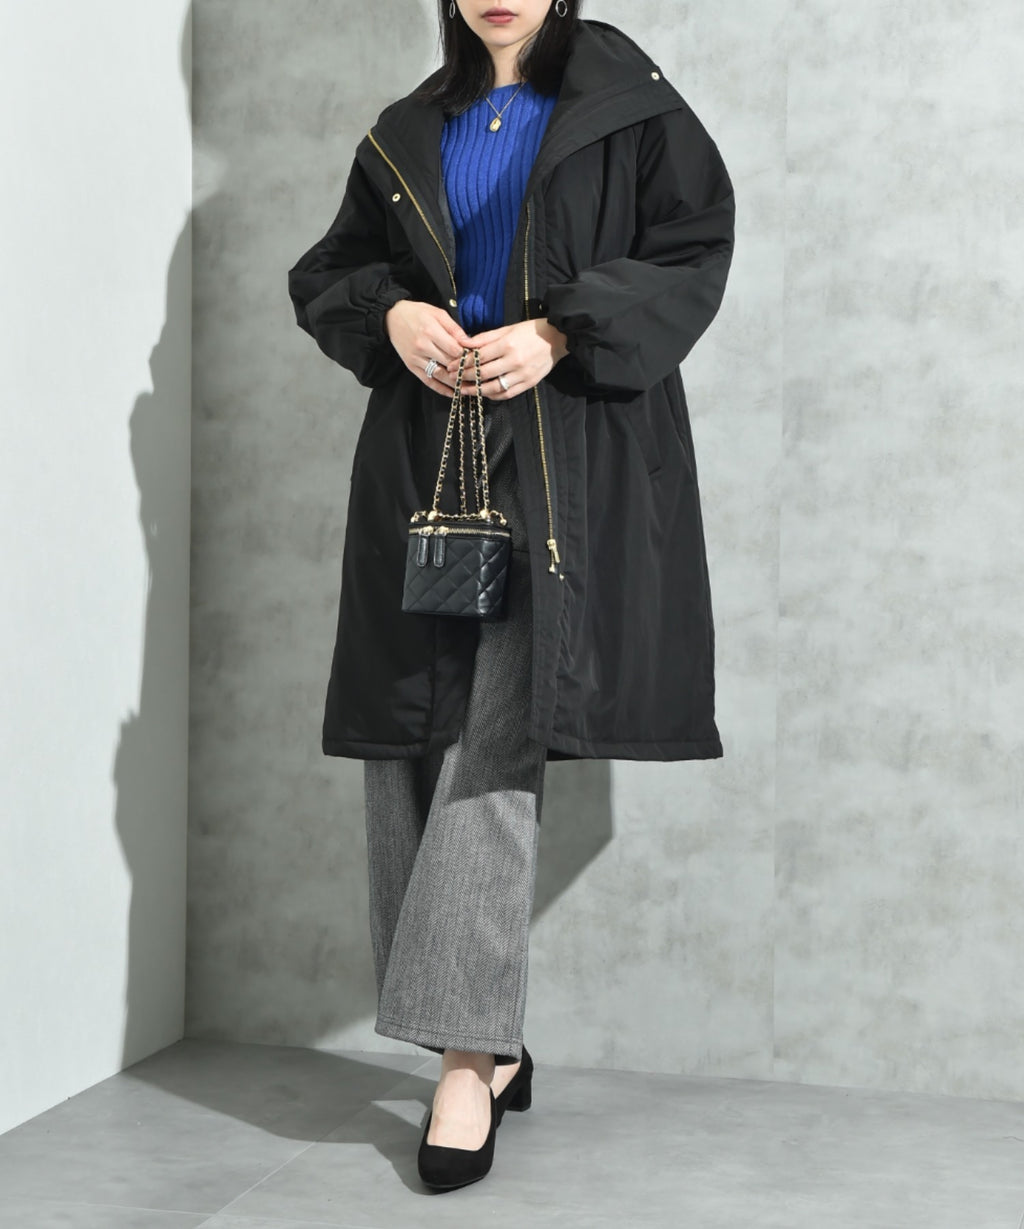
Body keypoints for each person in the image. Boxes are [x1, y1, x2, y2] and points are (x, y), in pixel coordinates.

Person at [287, 0, 735, 1192]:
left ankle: (463, 1057)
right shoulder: (407, 127)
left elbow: (693, 247)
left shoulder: (627, 107)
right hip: (425, 454)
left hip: (565, 461)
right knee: (408, 736)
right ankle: (483, 1037)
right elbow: (329, 271)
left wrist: (560, 335)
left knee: (495, 734)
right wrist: (390, 312)